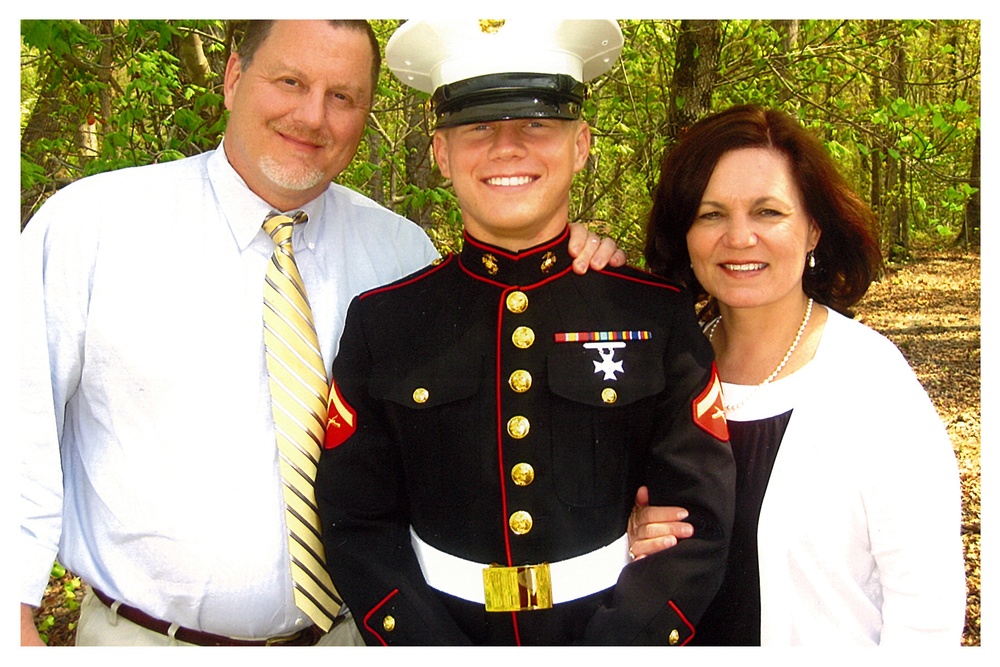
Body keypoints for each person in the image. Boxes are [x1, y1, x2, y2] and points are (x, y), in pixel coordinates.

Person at [19, 19, 624, 647]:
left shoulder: (400, 254)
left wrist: (574, 277)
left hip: (354, 637)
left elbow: (488, 427)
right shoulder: (93, 229)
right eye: (290, 81)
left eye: (343, 96)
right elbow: (18, 426)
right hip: (141, 642)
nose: (314, 117)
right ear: (232, 77)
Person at [315, 18, 735, 646]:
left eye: (537, 123)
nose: (506, 147)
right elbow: (357, 521)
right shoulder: (386, 322)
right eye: (477, 126)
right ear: (440, 153)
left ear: (581, 143)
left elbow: (696, 518)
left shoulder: (651, 312)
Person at [635, 103, 967, 645]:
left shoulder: (870, 383)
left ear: (813, 228)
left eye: (768, 211)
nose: (739, 238)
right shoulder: (665, 372)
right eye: (710, 213)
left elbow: (926, 609)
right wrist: (632, 535)